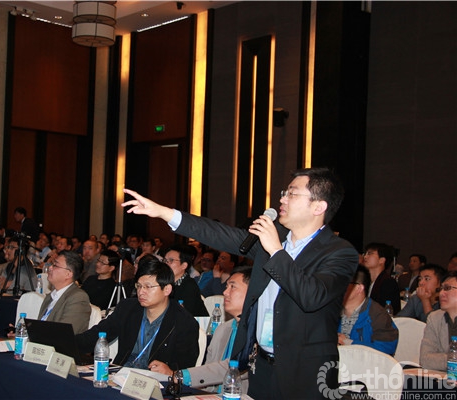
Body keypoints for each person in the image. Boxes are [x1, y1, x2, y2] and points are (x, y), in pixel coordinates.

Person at [122, 167, 359, 399]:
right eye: (284, 193)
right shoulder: (274, 239)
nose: (283, 199)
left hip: (304, 375)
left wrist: (276, 250)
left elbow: (312, 297)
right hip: (261, 367)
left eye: (292, 194)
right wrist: (164, 213)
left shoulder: (339, 252)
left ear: (318, 207)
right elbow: (220, 234)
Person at [76, 257, 199, 370]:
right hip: (121, 374)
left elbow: (186, 366)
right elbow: (96, 335)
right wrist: (69, 343)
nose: (141, 292)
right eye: (139, 286)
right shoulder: (127, 308)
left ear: (167, 289)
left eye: (148, 287)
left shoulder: (184, 322)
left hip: (154, 381)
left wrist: (171, 371)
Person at [150, 266, 252, 393]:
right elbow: (209, 372)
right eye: (226, 287)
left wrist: (178, 375)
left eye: (233, 287)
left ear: (252, 292)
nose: (225, 292)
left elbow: (233, 367)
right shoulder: (222, 330)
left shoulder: (257, 335)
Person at [338, 265, 398, 355]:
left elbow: (385, 350)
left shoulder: (377, 315)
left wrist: (348, 342)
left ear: (359, 288)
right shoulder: (332, 310)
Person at [37, 250, 91, 334]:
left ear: (68, 274)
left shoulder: (78, 298)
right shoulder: (50, 296)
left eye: (55, 265)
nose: (50, 268)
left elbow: (64, 333)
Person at [420, 272, 457, 371]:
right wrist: (453, 359)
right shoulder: (435, 318)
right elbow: (425, 359)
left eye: (447, 288)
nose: (441, 293)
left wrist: (441, 359)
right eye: (441, 289)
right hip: (444, 377)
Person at [164, 244, 208, 316]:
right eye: (165, 260)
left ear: (184, 265)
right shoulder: (164, 283)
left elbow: (185, 315)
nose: (166, 264)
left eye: (171, 260)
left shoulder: (189, 286)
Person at [362, 242, 401, 314]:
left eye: (370, 253)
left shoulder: (388, 283)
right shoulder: (366, 281)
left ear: (382, 260)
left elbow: (386, 312)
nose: (365, 257)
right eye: (365, 254)